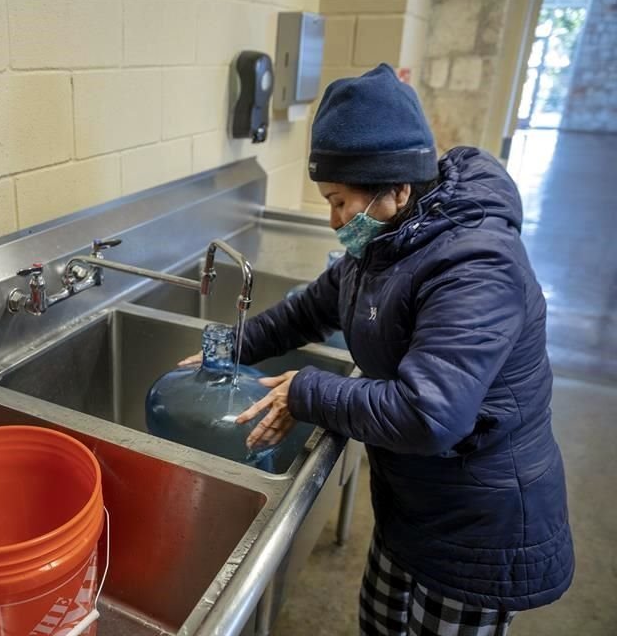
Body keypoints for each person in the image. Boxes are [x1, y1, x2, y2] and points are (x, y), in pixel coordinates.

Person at [183, 64, 574, 635]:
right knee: (380, 622)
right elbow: (309, 309)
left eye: (341, 202)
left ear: (397, 187)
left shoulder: (475, 266)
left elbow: (428, 414)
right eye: (329, 201)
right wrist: (225, 347)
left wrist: (306, 390)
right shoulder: (388, 239)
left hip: (478, 523)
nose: (335, 220)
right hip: (415, 503)